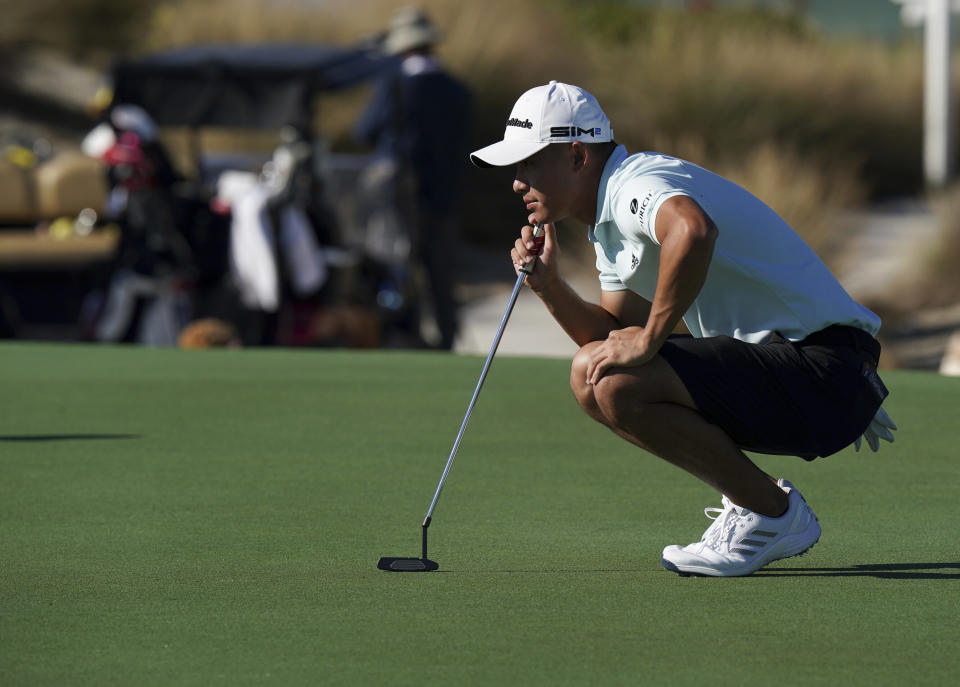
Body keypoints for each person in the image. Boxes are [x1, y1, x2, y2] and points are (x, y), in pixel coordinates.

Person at [469, 81, 897, 577]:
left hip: (824, 368)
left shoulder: (635, 183)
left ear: (577, 156)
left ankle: (770, 513)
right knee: (598, 375)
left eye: (528, 164)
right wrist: (549, 287)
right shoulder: (607, 224)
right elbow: (609, 336)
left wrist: (652, 336)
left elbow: (692, 230)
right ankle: (760, 507)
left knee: (603, 375)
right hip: (817, 370)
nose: (517, 182)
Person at [355, 7, 473, 350]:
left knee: (400, 272)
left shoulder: (394, 86)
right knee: (442, 277)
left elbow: (364, 131)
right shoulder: (458, 91)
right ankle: (446, 340)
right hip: (446, 197)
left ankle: (408, 340)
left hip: (400, 199)